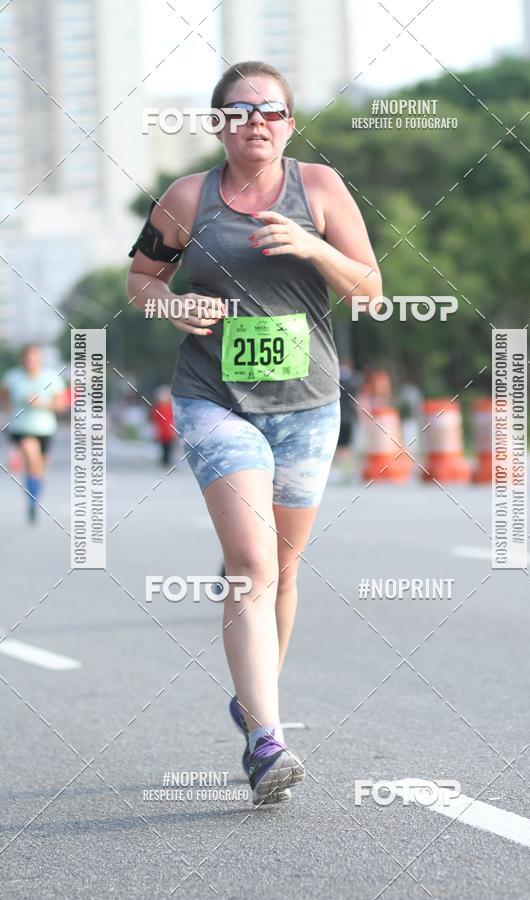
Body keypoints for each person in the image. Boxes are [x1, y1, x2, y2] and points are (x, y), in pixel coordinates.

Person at [126, 60, 382, 805]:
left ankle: (253, 701)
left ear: (290, 125)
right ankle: (269, 740)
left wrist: (313, 247)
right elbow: (141, 279)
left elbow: (370, 291)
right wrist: (169, 308)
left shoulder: (322, 190)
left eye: (271, 111)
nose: (256, 122)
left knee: (285, 568)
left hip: (307, 404)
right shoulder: (186, 199)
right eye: (240, 111)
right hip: (214, 398)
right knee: (248, 559)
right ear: (219, 124)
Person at [0, 344, 67, 523]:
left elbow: (61, 405)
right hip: (21, 428)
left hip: (45, 429)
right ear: (22, 359)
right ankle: (31, 502)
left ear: (40, 359)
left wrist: (42, 403)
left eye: (34, 358)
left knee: (38, 469)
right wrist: (8, 408)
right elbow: (3, 398)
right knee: (32, 458)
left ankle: (33, 500)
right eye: (27, 358)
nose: (30, 362)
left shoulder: (51, 377)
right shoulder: (12, 377)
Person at [150, 385, 176, 467]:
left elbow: (173, 418)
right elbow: (155, 420)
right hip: (162, 431)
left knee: (170, 446)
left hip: (170, 430)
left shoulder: (171, 407)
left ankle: (168, 460)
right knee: (163, 446)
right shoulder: (158, 407)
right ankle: (164, 460)